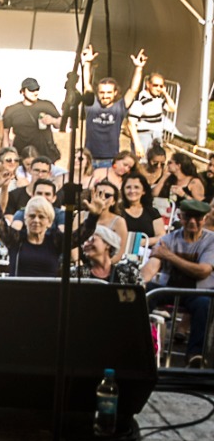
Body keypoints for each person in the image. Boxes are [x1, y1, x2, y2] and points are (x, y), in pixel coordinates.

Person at [143, 199, 214, 359]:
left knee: (204, 303)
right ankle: (141, 345)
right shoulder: (168, 239)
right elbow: (152, 266)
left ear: (205, 218)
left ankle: (195, 356)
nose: (193, 222)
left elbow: (203, 271)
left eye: (198, 218)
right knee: (144, 293)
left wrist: (169, 256)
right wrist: (142, 280)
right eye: (188, 217)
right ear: (180, 217)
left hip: (198, 292)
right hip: (168, 288)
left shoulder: (211, 241)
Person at [81, 45, 146, 169]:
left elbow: (133, 89)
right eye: (102, 92)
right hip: (89, 158)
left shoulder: (119, 107)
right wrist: (87, 63)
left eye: (109, 92)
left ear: (115, 93)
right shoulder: (92, 105)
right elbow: (86, 84)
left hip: (110, 159)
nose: (105, 96)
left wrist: (138, 68)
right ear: (98, 92)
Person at [4, 78, 60, 159]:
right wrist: (6, 153)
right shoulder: (12, 109)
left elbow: (61, 124)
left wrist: (52, 120)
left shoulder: (47, 105)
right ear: (23, 91)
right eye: (31, 90)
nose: (35, 92)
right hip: (21, 153)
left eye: (37, 89)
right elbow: (5, 133)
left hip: (44, 153)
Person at [128, 70, 177, 153]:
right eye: (155, 85)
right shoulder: (140, 102)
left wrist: (165, 93)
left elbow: (172, 108)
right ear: (148, 84)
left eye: (161, 86)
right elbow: (131, 124)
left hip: (157, 135)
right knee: (142, 164)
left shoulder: (158, 100)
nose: (158, 88)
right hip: (143, 136)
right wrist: (137, 144)